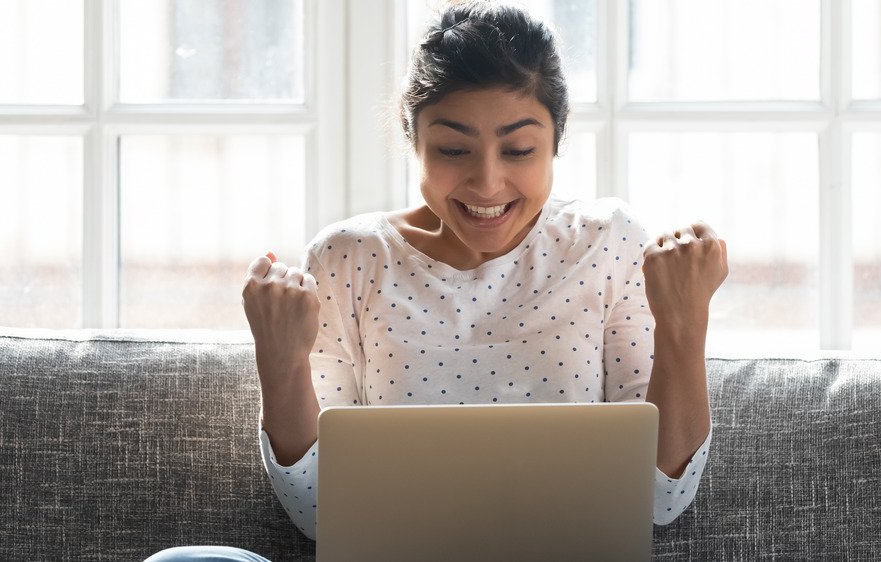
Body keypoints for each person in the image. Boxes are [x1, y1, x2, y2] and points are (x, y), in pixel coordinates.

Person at [146, 1, 727, 560]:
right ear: (414, 142)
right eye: (453, 149)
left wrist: (686, 322)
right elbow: (319, 512)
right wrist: (279, 359)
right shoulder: (349, 259)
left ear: (556, 143)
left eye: (519, 149)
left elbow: (661, 499)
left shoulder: (607, 243)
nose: (488, 183)